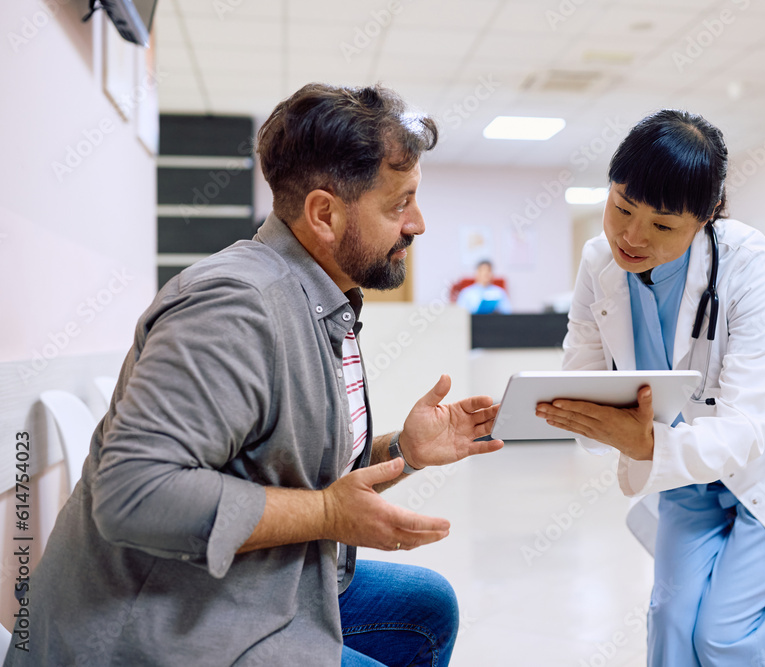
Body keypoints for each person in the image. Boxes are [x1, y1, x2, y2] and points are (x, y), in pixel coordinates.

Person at [7, 84, 504, 667]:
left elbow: (297, 474)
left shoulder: (322, 298)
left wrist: (405, 452)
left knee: (426, 605)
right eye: (399, 204)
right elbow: (133, 494)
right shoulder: (235, 306)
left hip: (241, 582)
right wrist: (326, 516)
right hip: (148, 628)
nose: (417, 224)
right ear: (324, 213)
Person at [536, 110, 765, 666]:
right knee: (672, 621)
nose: (631, 236)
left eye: (662, 226)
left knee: (727, 634)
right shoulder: (598, 263)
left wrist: (644, 444)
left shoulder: (746, 262)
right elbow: (583, 380)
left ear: (703, 219)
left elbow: (748, 428)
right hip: (686, 470)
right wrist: (559, 412)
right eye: (622, 208)